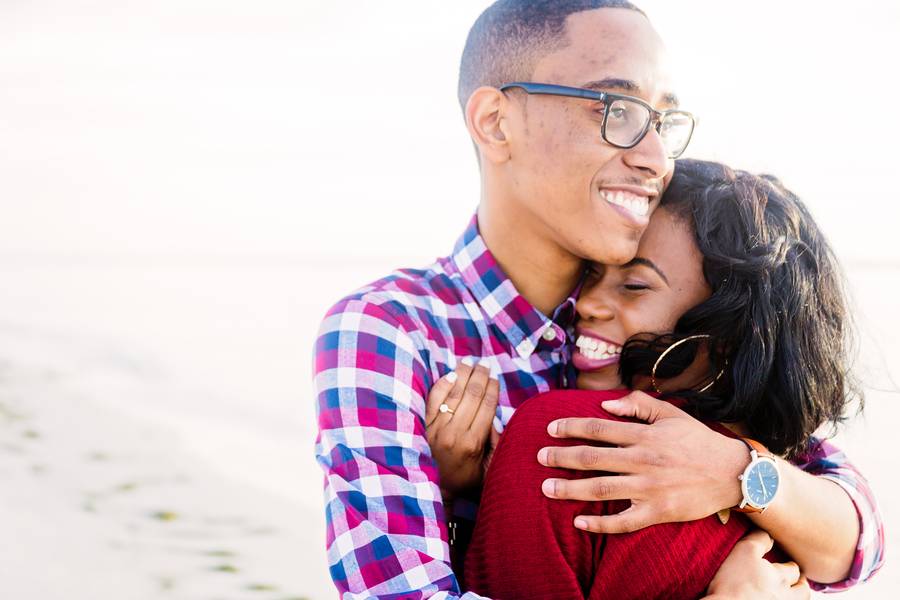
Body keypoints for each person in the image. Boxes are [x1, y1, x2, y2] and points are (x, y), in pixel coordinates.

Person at [312, 2, 882, 598]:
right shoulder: (391, 333)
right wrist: (457, 500)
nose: (655, 157)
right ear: (496, 123)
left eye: (661, 121)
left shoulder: (672, 322)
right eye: (617, 109)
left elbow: (855, 535)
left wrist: (740, 473)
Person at [425, 160, 884, 598]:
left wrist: (737, 471)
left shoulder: (553, 435)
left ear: (727, 329)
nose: (585, 304)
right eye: (592, 275)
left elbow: (863, 536)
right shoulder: (779, 471)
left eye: (635, 286)